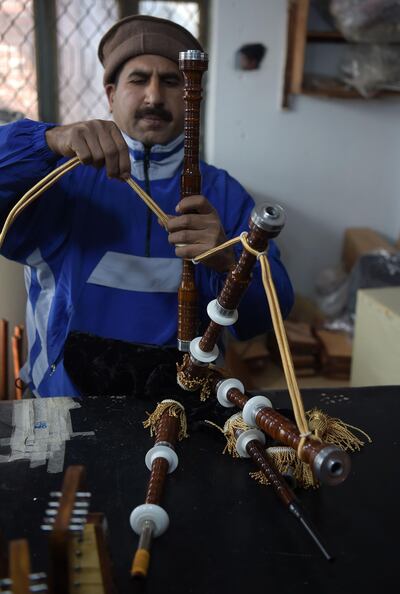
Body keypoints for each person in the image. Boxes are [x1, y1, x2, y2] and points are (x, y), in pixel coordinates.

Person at [0, 15, 294, 397]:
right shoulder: (60, 179)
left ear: (191, 97)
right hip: (63, 404)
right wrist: (48, 140)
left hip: (181, 409)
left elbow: (268, 315)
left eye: (171, 82)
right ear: (110, 94)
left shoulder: (223, 195)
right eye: (138, 79)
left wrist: (226, 261)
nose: (154, 97)